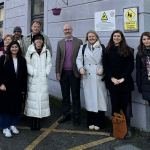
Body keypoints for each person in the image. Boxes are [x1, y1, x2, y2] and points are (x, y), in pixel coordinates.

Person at [103, 30, 134, 139]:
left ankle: (128, 128)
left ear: (121, 38)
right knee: (115, 106)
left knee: (126, 106)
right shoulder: (107, 50)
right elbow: (105, 65)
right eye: (114, 36)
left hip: (125, 82)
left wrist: (122, 79)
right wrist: (112, 78)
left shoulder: (129, 50)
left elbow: (130, 66)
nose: (116, 38)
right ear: (112, 38)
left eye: (118, 36)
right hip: (112, 82)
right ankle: (117, 128)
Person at [76, 30, 108, 130]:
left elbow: (106, 61)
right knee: (90, 99)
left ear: (96, 37)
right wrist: (80, 68)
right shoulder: (83, 47)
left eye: (93, 36)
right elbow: (79, 59)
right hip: (88, 76)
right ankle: (91, 122)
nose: (91, 38)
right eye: (89, 37)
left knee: (100, 99)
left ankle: (100, 123)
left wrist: (103, 68)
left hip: (99, 76)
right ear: (87, 38)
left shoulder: (102, 47)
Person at [56, 24, 83, 126]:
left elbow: (81, 58)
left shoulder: (79, 42)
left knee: (76, 96)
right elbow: (58, 58)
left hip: (74, 73)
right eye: (65, 30)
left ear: (72, 30)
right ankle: (66, 115)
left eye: (68, 29)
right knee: (65, 96)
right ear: (63, 31)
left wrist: (81, 71)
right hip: (63, 73)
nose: (67, 31)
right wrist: (57, 72)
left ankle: (77, 117)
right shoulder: (60, 43)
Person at [24, 34, 52, 130]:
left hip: (43, 79)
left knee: (41, 98)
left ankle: (39, 120)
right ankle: (33, 120)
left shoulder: (46, 52)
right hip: (33, 78)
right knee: (32, 100)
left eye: (40, 39)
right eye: (37, 39)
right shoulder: (30, 51)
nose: (39, 41)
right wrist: (32, 72)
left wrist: (46, 72)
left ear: (43, 41)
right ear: (34, 41)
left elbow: (49, 64)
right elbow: (27, 63)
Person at [0, 41, 27, 137]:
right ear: (9, 48)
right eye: (12, 47)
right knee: (5, 108)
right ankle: (5, 127)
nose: (14, 48)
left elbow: (24, 75)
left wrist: (24, 88)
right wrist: (1, 83)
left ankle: (13, 125)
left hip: (18, 88)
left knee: (17, 107)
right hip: (6, 87)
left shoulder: (22, 60)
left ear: (18, 48)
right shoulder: (4, 58)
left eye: (16, 47)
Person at [136, 32, 150, 142]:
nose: (146, 41)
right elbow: (138, 70)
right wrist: (139, 85)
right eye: (144, 39)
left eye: (148, 39)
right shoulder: (140, 53)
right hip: (146, 84)